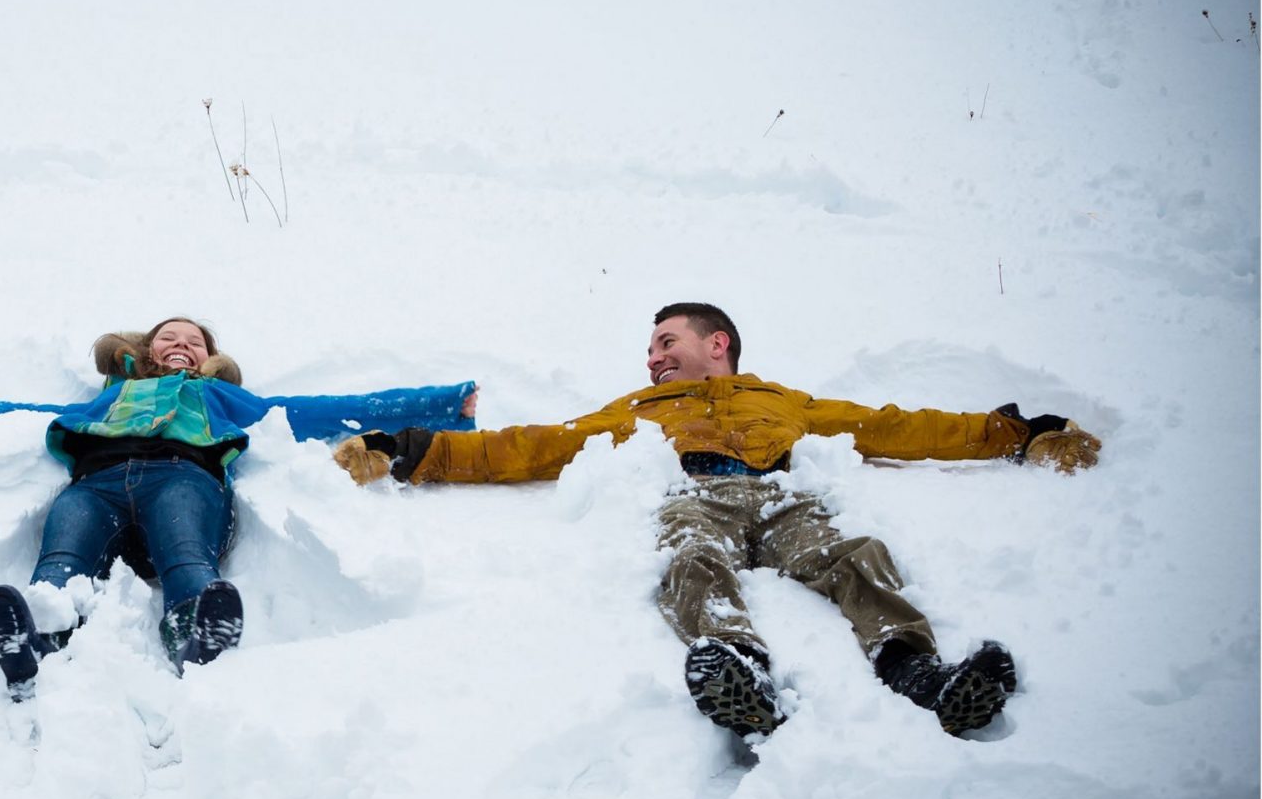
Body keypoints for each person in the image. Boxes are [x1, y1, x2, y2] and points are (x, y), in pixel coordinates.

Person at [330, 302, 1101, 740]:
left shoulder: (784, 401)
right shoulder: (634, 410)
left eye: (666, 341)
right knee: (692, 555)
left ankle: (921, 673)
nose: (653, 358)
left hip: (782, 497)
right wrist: (410, 449)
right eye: (651, 348)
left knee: (855, 552)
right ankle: (742, 675)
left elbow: (895, 425)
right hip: (694, 494)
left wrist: (1018, 434)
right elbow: (531, 446)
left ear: (716, 344)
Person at [0, 315, 478, 700]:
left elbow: (322, 408)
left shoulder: (221, 398)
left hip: (185, 478)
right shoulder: (110, 399)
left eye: (193, 340)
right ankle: (39, 631)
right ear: (147, 352)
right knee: (65, 549)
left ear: (207, 357)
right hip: (96, 481)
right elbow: (2, 414)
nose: (180, 344)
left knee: (185, 550)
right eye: (168, 338)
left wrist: (442, 404)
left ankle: (195, 627)